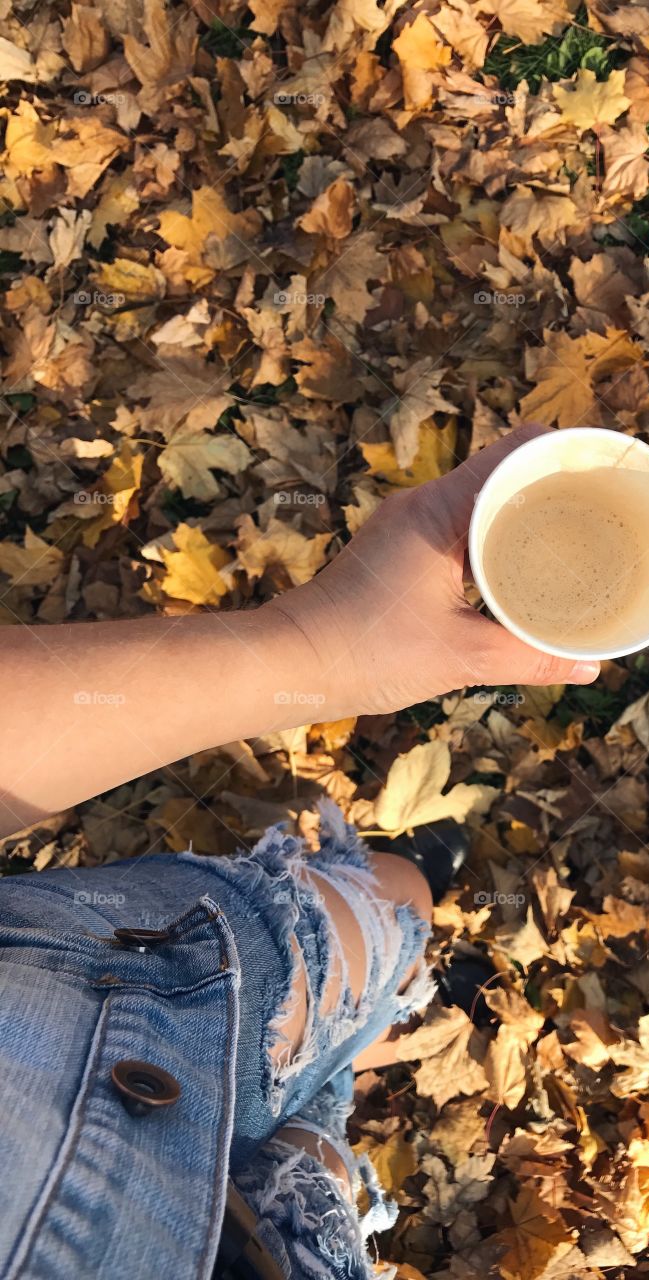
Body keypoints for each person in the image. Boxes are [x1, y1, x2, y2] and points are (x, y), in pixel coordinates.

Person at [0, 424, 599, 1279]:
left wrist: (325, 645)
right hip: (284, 1228)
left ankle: (376, 1008)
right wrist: (314, 644)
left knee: (388, 917)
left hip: (120, 988)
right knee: (371, 975)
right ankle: (373, 1023)